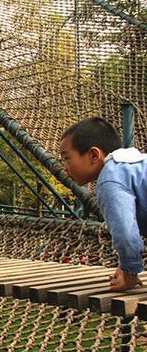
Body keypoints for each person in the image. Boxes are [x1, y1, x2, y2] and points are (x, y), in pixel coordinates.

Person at [60, 117, 146, 292]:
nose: (65, 168)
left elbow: (125, 233)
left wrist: (130, 276)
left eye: (67, 159)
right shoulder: (130, 166)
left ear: (93, 155)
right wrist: (125, 266)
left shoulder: (110, 179)